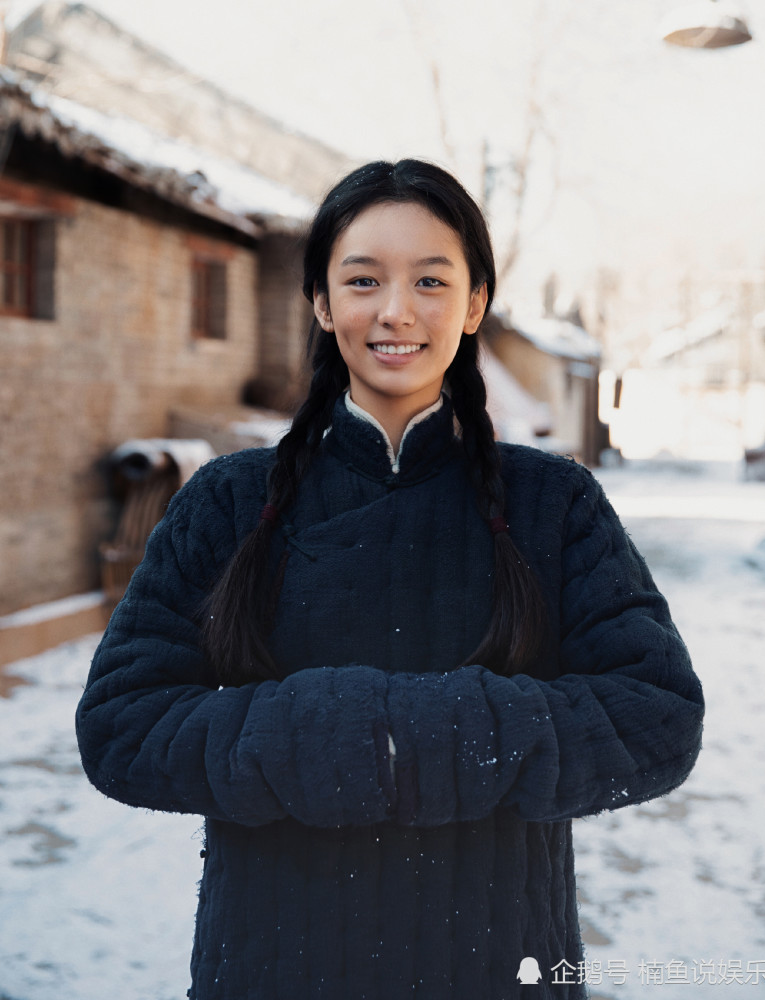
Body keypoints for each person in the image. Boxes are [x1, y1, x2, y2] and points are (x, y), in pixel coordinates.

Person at [75, 159, 704, 1000]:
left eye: (431, 280)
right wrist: (340, 739)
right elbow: (123, 725)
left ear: (475, 303)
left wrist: (418, 741)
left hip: (499, 965)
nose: (396, 311)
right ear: (323, 302)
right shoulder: (228, 502)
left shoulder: (553, 502)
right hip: (270, 967)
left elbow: (655, 717)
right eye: (363, 278)